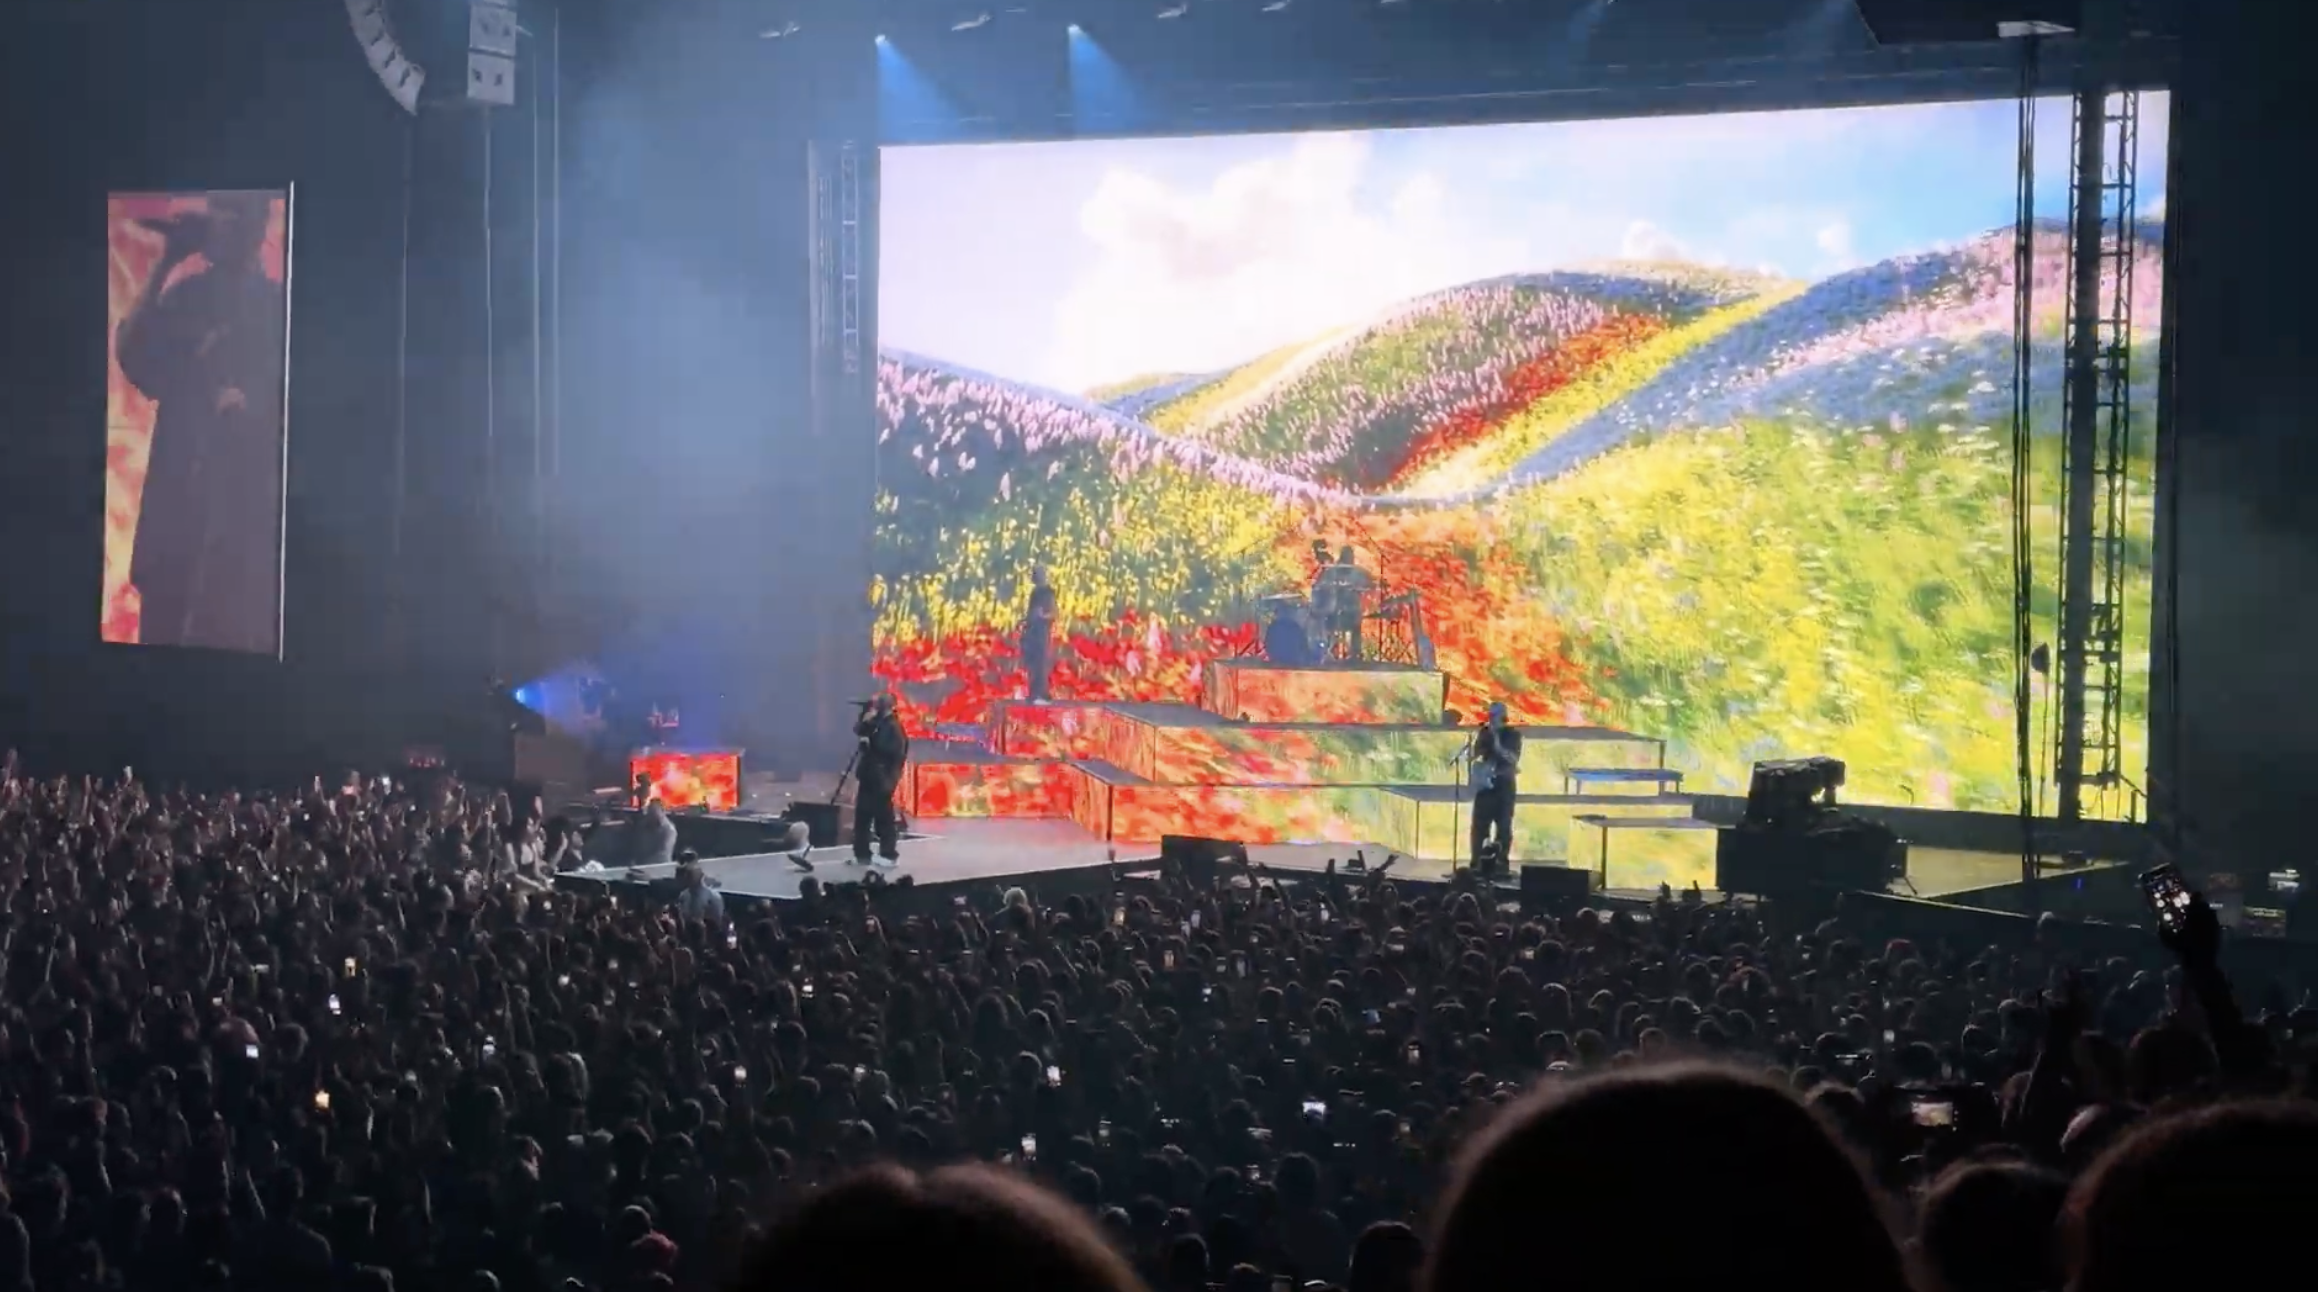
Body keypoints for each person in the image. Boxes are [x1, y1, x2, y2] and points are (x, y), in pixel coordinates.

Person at [114, 192, 286, 653]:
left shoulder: (278, 307)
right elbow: (135, 356)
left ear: (257, 226)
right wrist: (167, 260)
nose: (220, 222)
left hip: (241, 512)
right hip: (178, 508)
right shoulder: (188, 296)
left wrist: (248, 405)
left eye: (233, 212)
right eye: (217, 210)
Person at [853, 692, 910, 866]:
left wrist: (870, 743)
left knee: (884, 819)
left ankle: (888, 854)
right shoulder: (876, 722)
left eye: (880, 701)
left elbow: (890, 751)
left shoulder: (893, 727)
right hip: (869, 776)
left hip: (882, 778)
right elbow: (859, 730)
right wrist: (864, 716)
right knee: (862, 817)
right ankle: (862, 854)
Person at [1467, 701, 1521, 874]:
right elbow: (1476, 754)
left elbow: (1513, 759)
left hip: (1504, 784)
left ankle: (1500, 863)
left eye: (1494, 716)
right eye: (1490, 715)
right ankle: (1477, 862)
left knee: (1503, 826)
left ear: (1502, 717)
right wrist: (1474, 751)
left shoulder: (1513, 735)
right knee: (1479, 826)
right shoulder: (1485, 732)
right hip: (1485, 785)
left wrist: (1497, 744)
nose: (1491, 719)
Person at [1022, 567, 1058, 703]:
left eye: (1036, 575)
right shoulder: (1035, 593)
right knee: (1033, 663)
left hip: (1042, 632)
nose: (1034, 577)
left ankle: (1041, 694)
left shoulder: (1048, 593)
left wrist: (1042, 616)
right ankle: (1034, 693)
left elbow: (1053, 613)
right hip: (1032, 632)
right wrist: (1026, 621)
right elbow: (1031, 612)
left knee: (1041, 663)